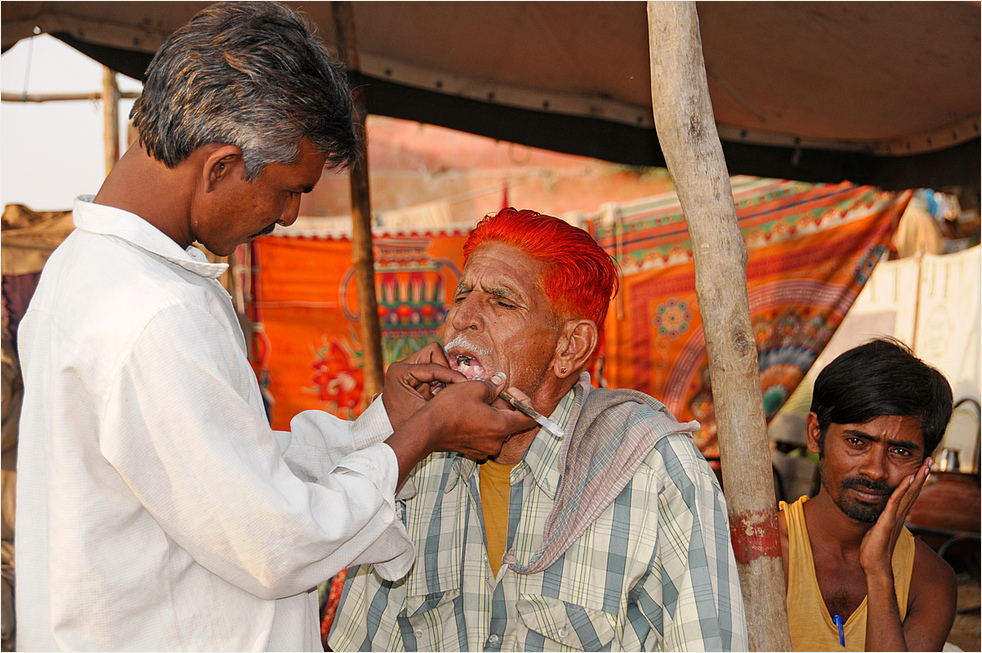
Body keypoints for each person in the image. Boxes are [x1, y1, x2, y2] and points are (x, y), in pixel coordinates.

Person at [14, 3, 533, 650]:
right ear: (221, 166)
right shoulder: (152, 315)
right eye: (289, 189)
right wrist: (428, 431)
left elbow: (231, 478)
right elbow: (277, 538)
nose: (289, 216)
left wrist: (381, 421)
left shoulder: (90, 272)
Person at [329, 208, 749, 651]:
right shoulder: (414, 457)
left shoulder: (654, 469)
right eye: (462, 295)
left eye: (502, 301)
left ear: (570, 347)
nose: (463, 319)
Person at [778, 338, 957, 651]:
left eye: (900, 451)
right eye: (857, 443)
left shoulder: (929, 580)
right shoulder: (761, 550)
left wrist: (878, 571)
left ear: (925, 463)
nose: (875, 470)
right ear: (815, 434)